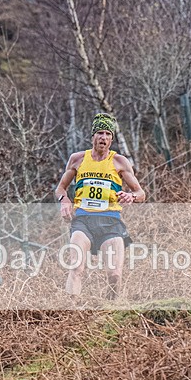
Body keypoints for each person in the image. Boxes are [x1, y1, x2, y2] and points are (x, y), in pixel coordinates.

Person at [55, 113, 145, 299]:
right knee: (76, 267)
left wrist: (130, 196)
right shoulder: (78, 159)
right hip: (83, 221)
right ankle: (70, 312)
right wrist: (64, 201)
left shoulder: (119, 162)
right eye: (99, 133)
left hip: (111, 223)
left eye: (107, 134)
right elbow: (60, 189)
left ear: (112, 139)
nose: (103, 137)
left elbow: (141, 193)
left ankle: (111, 310)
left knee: (114, 275)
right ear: (92, 137)